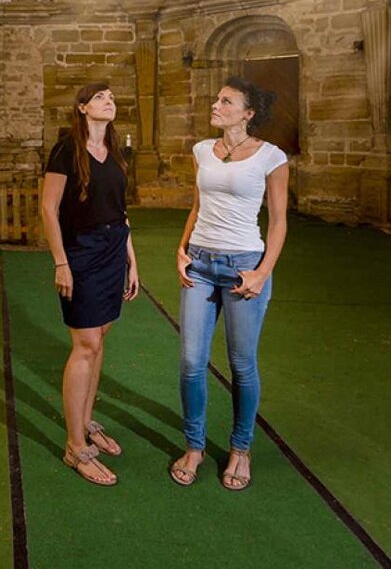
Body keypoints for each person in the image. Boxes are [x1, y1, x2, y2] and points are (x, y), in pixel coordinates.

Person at [169, 77, 289, 491]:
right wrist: (182, 249)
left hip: (244, 266)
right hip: (200, 264)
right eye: (216, 99)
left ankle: (241, 449)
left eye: (226, 101)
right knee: (191, 361)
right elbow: (198, 206)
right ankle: (195, 447)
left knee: (241, 364)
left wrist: (262, 272)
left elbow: (279, 221)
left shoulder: (271, 156)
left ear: (247, 114)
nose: (215, 105)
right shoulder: (202, 150)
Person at [40, 81, 140, 486]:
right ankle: (74, 446)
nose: (108, 101)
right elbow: (48, 208)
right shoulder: (66, 150)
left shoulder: (115, 151)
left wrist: (132, 260)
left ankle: (84, 420)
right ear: (82, 107)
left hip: (114, 249)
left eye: (111, 97)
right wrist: (61, 262)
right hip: (81, 252)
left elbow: (121, 211)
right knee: (85, 344)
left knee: (100, 339)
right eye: (100, 97)